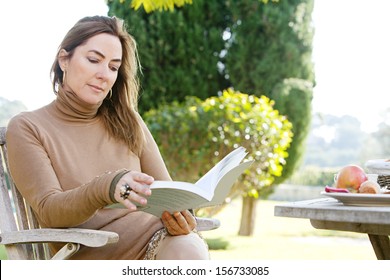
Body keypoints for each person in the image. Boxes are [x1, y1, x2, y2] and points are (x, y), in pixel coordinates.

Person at [6, 15, 209, 260]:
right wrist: (107, 187)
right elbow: (50, 211)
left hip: (158, 240)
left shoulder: (128, 120)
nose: (104, 74)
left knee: (188, 249)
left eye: (113, 67)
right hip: (91, 253)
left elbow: (168, 192)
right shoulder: (28, 127)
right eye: (94, 60)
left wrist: (182, 217)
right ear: (64, 60)